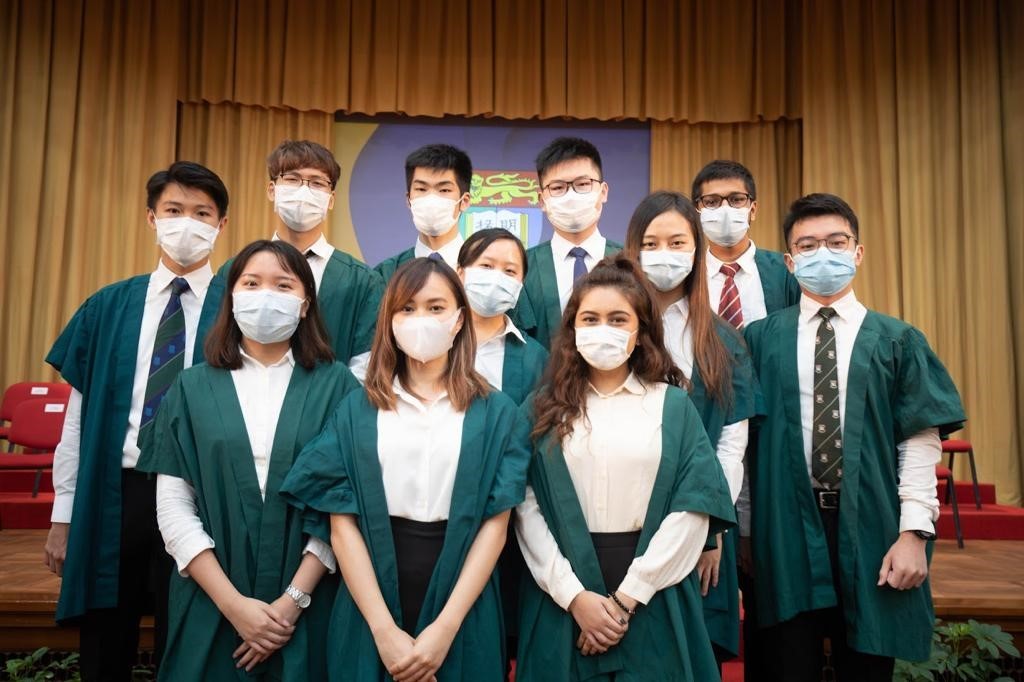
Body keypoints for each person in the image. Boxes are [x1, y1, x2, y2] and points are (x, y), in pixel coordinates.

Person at [744, 193, 966, 681]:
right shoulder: (759, 338)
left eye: (836, 242)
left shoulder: (897, 340)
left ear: (858, 252)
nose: (823, 254)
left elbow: (920, 441)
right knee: (785, 661)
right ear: (789, 260)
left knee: (865, 666)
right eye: (807, 245)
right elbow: (739, 442)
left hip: (873, 525)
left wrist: (913, 534)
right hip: (785, 527)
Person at [280, 257, 531, 682]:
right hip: (370, 599)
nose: (421, 319)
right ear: (389, 321)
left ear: (458, 320)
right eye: (407, 308)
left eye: (436, 308)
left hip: (462, 603)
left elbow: (496, 527)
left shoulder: (498, 414)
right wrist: (383, 631)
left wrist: (445, 629)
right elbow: (342, 527)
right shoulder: (356, 409)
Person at [135, 239, 360, 680]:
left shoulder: (339, 387)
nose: (266, 296)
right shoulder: (191, 387)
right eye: (252, 283)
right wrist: (233, 605)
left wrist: (291, 602)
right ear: (232, 296)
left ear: (304, 304)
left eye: (283, 285)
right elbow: (174, 506)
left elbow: (344, 508)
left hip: (311, 600)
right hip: (211, 597)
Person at [42, 161, 229, 680]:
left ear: (221, 225)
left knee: (190, 632)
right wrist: (63, 515)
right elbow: (77, 421)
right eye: (173, 210)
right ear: (151, 218)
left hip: (201, 495)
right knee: (105, 637)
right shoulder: (109, 306)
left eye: (201, 213)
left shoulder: (236, 310)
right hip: (115, 493)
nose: (186, 223)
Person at [514, 255, 736, 681]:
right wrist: (574, 596)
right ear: (572, 330)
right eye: (590, 318)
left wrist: (626, 598)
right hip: (562, 598)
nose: (603, 330)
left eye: (618, 319)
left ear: (639, 333)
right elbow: (526, 510)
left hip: (654, 595)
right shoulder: (542, 410)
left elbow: (693, 509)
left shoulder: (672, 406)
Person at [623, 190, 758, 666]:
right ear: (633, 250)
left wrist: (711, 531)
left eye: (678, 242)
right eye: (651, 242)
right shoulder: (609, 328)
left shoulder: (721, 340)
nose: (664, 254)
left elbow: (730, 443)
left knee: (686, 655)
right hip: (619, 522)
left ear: (697, 251)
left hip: (695, 523)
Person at [691, 159, 800, 677]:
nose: (724, 211)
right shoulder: (682, 274)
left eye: (735, 200)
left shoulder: (786, 273)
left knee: (769, 577)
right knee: (706, 571)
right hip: (711, 438)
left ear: (753, 209)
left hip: (777, 441)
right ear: (695, 212)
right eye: (710, 202)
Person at [197, 139, 383, 369]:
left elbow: (365, 366)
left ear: (331, 199)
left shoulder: (362, 281)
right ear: (272, 190)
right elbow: (217, 345)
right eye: (292, 179)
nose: (304, 191)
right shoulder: (235, 271)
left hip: (331, 403)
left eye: (317, 183)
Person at [512, 137, 622, 349]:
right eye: (558, 187)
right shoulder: (521, 267)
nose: (571, 195)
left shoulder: (629, 262)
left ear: (603, 192)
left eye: (582, 184)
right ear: (542, 200)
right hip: (544, 381)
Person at [456, 228, 549, 405]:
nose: (497, 277)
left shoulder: (536, 357)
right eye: (486, 266)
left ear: (520, 285)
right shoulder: (435, 342)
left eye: (509, 271)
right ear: (460, 274)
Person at [375, 144, 473, 280]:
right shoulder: (385, 274)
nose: (431, 198)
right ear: (409, 200)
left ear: (464, 201)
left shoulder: (482, 272)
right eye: (421, 189)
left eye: (444, 190)